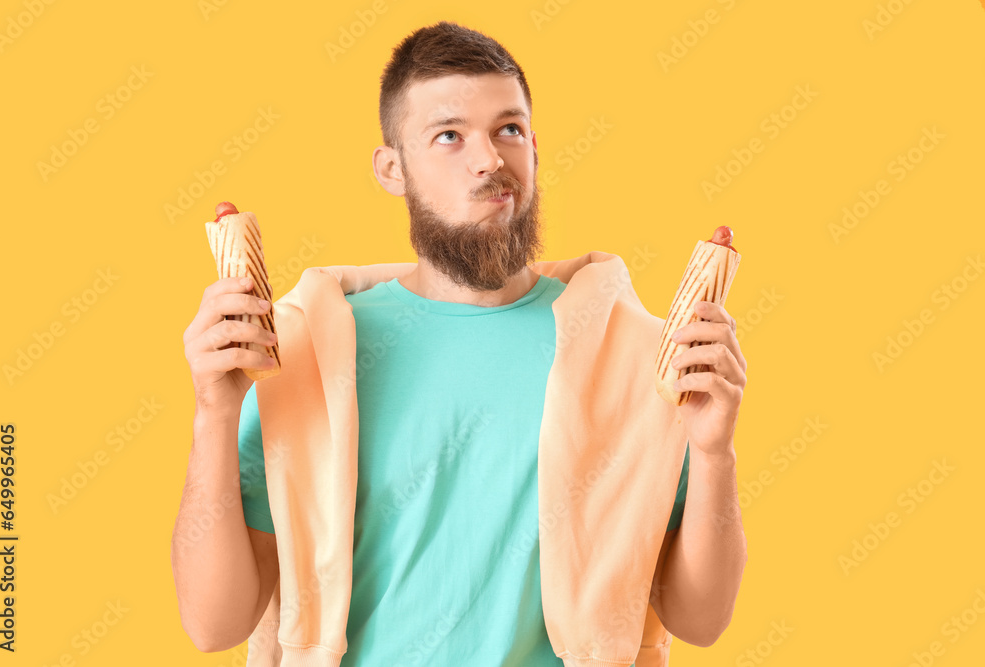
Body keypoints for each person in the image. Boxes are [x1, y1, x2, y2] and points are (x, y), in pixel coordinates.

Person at [171, 20, 747, 666]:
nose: (490, 160)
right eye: (450, 135)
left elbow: (699, 618)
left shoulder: (635, 355)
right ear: (392, 169)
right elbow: (212, 622)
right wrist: (214, 413)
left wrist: (713, 449)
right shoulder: (303, 354)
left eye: (509, 129)